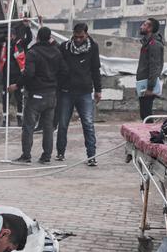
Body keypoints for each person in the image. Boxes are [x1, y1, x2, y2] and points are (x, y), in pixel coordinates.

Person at [11, 26, 67, 164]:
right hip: (51, 95)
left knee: (28, 126)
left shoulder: (33, 52)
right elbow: (64, 71)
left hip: (36, 94)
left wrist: (17, 85)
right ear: (49, 38)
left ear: (37, 37)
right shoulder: (57, 52)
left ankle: (26, 156)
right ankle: (46, 156)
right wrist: (55, 83)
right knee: (48, 128)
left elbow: (29, 73)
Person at [56, 23, 102, 166]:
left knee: (88, 124)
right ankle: (60, 152)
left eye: (81, 37)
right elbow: (57, 67)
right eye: (75, 37)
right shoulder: (64, 47)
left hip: (85, 92)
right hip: (66, 91)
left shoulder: (93, 47)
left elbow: (95, 70)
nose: (78, 40)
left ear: (86, 35)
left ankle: (91, 156)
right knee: (63, 124)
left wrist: (98, 90)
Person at [0, 21, 31, 126]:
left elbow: (29, 39)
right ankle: (5, 119)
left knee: (19, 98)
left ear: (14, 35)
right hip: (6, 76)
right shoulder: (3, 45)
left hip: (17, 76)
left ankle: (19, 118)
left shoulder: (19, 44)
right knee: (5, 98)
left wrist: (27, 27)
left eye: (10, 35)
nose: (8, 37)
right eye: (7, 35)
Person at [137, 17, 165, 121]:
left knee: (147, 114)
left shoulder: (154, 44)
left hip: (148, 85)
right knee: (144, 114)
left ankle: (149, 136)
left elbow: (155, 66)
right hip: (143, 83)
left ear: (149, 28)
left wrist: (150, 88)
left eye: (144, 25)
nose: (141, 27)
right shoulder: (147, 43)